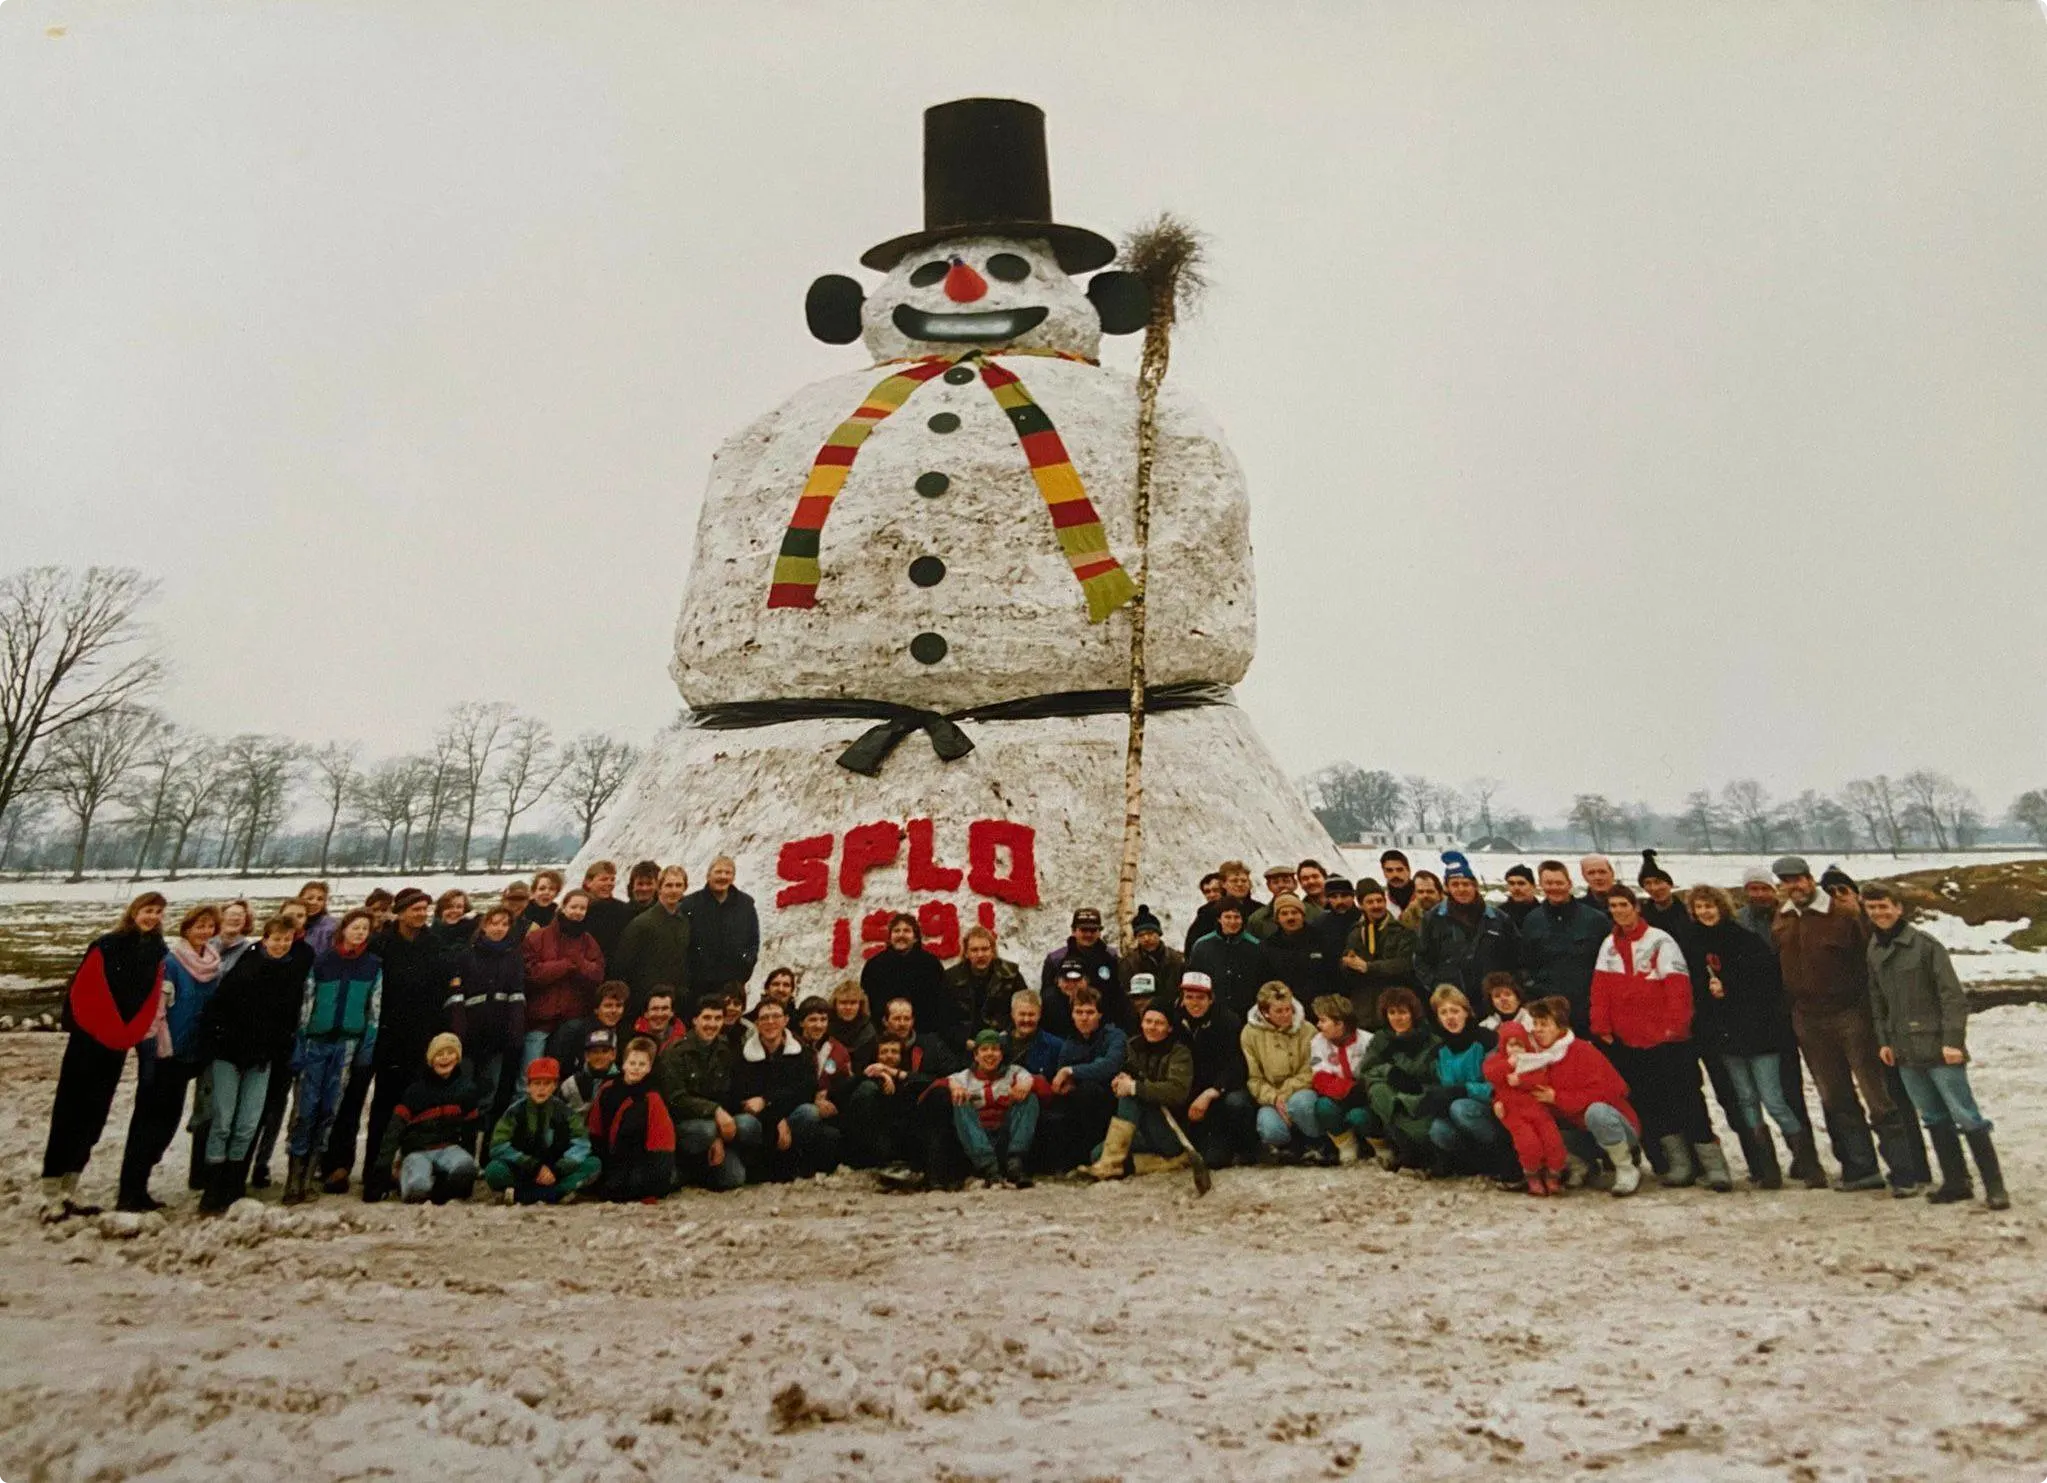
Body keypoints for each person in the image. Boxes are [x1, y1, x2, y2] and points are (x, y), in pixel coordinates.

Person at [1772, 854, 1926, 1193]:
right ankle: (1861, 1168)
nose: (1793, 886)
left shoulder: (1843, 916)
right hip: (1809, 1020)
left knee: (1877, 1095)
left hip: (1850, 1015)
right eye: (1786, 881)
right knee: (1834, 1097)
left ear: (1809, 880)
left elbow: (1870, 961)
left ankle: (1904, 1171)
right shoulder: (1781, 919)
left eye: (1798, 879)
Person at [1864, 884, 2008, 1210]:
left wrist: (1953, 1042)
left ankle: (1995, 1187)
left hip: (1938, 1047)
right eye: (1871, 908)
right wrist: (1884, 1041)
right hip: (1904, 1050)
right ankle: (1956, 1182)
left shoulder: (1926, 947)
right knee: (1932, 1116)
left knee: (1966, 1116)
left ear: (1899, 908)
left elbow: (1952, 998)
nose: (1878, 914)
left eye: (1884, 907)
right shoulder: (1874, 947)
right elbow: (1877, 999)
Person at [1589, 885, 1730, 1192]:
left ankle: (1713, 1164)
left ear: (1636, 907)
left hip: (1667, 1040)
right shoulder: (1608, 946)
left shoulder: (1660, 940)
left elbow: (1678, 988)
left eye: (1623, 904)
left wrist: (1675, 1026)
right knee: (1652, 1104)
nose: (1618, 911)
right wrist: (1601, 1025)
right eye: (1612, 906)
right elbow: (1600, 989)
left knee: (1687, 1099)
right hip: (1629, 1041)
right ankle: (1679, 1163)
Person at [39, 893, 168, 1220]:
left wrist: (130, 1033)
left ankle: (71, 1187)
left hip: (117, 1044)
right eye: (146, 910)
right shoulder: (108, 944)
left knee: (94, 1116)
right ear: (134, 911)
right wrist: (110, 1029)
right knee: (70, 1112)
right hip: (90, 1041)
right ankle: (51, 1193)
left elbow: (151, 996)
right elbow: (85, 990)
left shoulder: (157, 951)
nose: (151, 917)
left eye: (157, 912)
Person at [1685, 885, 1818, 1190]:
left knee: (1774, 1099)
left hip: (1758, 1034)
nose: (1705, 912)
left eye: (1710, 906)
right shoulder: (1693, 942)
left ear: (1722, 907)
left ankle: (1808, 1163)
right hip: (1724, 1037)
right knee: (1745, 1100)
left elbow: (1766, 983)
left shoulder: (1743, 939)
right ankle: (1766, 1167)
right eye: (1699, 907)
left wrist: (1728, 987)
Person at [331, 887, 459, 1202]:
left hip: (419, 1036)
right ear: (400, 912)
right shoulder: (382, 944)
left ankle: (403, 1168)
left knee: (410, 1106)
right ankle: (374, 1170)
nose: (421, 914)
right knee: (381, 1107)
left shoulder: (434, 945)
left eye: (424, 909)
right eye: (415, 909)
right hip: (384, 1035)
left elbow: (443, 989)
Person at [197, 912, 312, 1212]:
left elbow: (286, 1020)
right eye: (276, 939)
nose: (281, 945)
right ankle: (213, 1186)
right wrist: (219, 1044)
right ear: (265, 939)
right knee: (223, 1121)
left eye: (287, 940)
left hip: (263, 1059)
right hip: (230, 1055)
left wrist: (278, 1050)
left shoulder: (290, 973)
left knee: (247, 1123)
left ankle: (234, 1182)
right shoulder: (247, 967)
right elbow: (220, 1008)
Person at [116, 903, 222, 1212]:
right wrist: (156, 1051)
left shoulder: (211, 964)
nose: (204, 931)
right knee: (148, 1123)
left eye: (209, 926)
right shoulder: (172, 962)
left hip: (191, 1053)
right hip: (164, 1054)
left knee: (168, 1123)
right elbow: (157, 1011)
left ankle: (141, 1185)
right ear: (186, 928)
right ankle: (130, 1191)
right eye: (198, 926)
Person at [285, 909, 380, 1205]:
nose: (360, 933)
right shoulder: (322, 961)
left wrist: (367, 1044)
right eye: (355, 927)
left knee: (330, 1110)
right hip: (316, 1042)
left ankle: (311, 1174)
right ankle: (293, 1177)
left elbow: (373, 1008)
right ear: (343, 930)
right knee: (305, 1110)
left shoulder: (373, 965)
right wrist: (300, 1041)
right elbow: (306, 1003)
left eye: (365, 929)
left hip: (348, 1044)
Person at [1522, 996, 1643, 1196]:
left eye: (1544, 1024)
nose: (1537, 1030)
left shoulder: (1582, 1050)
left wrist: (1558, 1098)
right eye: (1534, 1024)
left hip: (1616, 1127)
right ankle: (1582, 1164)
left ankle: (1626, 1166)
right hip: (1579, 1132)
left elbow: (1611, 1092)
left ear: (1560, 1027)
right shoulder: (1535, 1058)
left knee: (1597, 1112)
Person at [1088, 1004, 1194, 1179]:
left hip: (1171, 1127)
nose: (1152, 1027)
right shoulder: (1134, 1045)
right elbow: (1128, 1073)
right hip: (1141, 1127)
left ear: (1169, 1028)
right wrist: (1120, 1081)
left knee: (1131, 1097)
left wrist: (1134, 1087)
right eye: (1148, 1021)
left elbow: (1177, 1092)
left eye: (1159, 1023)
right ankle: (1170, 1162)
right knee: (1097, 1155)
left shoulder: (1179, 1053)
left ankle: (1111, 1164)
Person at [376, 1032, 482, 1205]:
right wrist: (381, 1171)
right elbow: (393, 1132)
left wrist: (467, 1169)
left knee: (466, 1168)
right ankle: (407, 1178)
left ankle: (440, 1189)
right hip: (418, 1151)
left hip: (449, 1148)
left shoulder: (467, 1090)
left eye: (450, 1052)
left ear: (458, 1057)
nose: (445, 1058)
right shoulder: (415, 1091)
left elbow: (470, 1131)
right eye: (439, 1054)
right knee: (418, 1189)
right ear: (431, 1060)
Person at [519, 889, 606, 1092]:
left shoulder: (588, 941)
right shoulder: (537, 938)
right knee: (529, 1077)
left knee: (559, 1076)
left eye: (582, 908)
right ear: (563, 907)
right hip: (539, 1020)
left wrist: (580, 964)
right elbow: (531, 973)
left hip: (570, 1019)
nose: (577, 912)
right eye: (574, 906)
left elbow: (597, 973)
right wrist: (565, 966)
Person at [657, 996, 746, 1191]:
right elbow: (676, 1099)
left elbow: (730, 1094)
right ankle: (683, 1166)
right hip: (685, 1126)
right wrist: (714, 1112)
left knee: (735, 1178)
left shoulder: (726, 1051)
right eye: (707, 1018)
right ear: (695, 1020)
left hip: (716, 1125)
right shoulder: (675, 1052)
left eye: (717, 1018)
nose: (712, 1024)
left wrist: (720, 1136)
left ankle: (700, 1171)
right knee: (705, 1131)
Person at [483, 1057, 601, 1205]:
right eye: (537, 1083)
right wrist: (533, 1167)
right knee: (494, 1171)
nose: (541, 1088)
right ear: (528, 1086)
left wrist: (556, 1169)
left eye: (547, 1083)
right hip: (524, 1170)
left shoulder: (566, 1112)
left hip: (556, 1172)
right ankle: (555, 1194)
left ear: (554, 1086)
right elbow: (498, 1146)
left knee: (593, 1164)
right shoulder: (515, 1112)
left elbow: (581, 1144)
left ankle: (525, 1195)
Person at [447, 906, 526, 1124]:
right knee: (463, 1089)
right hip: (469, 1035)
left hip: (497, 1036)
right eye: (494, 923)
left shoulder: (513, 957)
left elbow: (517, 997)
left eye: (504, 924)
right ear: (485, 925)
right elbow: (456, 998)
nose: (499, 928)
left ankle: (481, 1141)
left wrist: (515, 1033)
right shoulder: (466, 956)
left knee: (488, 1092)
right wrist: (459, 1033)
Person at [1422, 986, 1508, 1181]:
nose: (1450, 1017)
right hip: (1457, 1111)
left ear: (1466, 1012)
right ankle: (1467, 1161)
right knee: (1437, 1128)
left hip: (1490, 1108)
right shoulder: (1440, 1050)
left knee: (1461, 1108)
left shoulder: (1486, 1039)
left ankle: (1495, 1156)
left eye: (1455, 1010)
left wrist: (1463, 1089)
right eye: (1443, 1012)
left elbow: (1498, 1086)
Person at [1412, 854, 1518, 1011]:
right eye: (1455, 884)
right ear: (1447, 887)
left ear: (1475, 886)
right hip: (1451, 1002)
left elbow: (1516, 958)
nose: (1461, 889)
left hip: (1491, 1002)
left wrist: (1506, 988)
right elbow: (1420, 959)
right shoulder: (1433, 919)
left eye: (1466, 884)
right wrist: (1436, 986)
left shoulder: (1498, 919)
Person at [1172, 971, 1255, 1168]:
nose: (1194, 1003)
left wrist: (1213, 1091)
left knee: (1238, 1103)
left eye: (1200, 998)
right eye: (1189, 997)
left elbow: (1236, 1064)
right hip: (1187, 1095)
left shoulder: (1228, 1021)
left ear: (1211, 999)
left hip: (1218, 1093)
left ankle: (1247, 1148)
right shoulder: (1174, 1021)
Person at [1038, 988, 1126, 1173]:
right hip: (1077, 1101)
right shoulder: (1070, 1043)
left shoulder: (1114, 1036)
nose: (1084, 1017)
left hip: (1109, 1101)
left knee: (1089, 1091)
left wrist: (1072, 1071)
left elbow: (1109, 1066)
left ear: (1100, 1014)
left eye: (1090, 1012)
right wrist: (1066, 1083)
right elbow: (1062, 1076)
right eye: (1079, 1012)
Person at [733, 998, 821, 1181]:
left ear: (785, 1020)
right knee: (744, 1124)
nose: (770, 1022)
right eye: (764, 1018)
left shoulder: (801, 1053)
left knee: (809, 1113)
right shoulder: (743, 1056)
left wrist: (767, 1102)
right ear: (757, 1023)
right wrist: (774, 1119)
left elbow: (804, 1090)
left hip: (789, 1116)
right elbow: (744, 1096)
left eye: (775, 1016)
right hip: (761, 1120)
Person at [1517, 861, 1609, 1034]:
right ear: (1541, 885)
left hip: (1586, 1009)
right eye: (1549, 883)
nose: (1554, 888)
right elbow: (1525, 964)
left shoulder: (1595, 920)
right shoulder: (1532, 920)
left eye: (1559, 883)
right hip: (1547, 1010)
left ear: (1569, 883)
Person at [1484, 1020, 1571, 1195]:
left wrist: (1522, 1080)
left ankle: (1553, 1176)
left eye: (1519, 1045)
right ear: (1504, 1046)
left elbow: (1542, 1078)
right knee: (1528, 1144)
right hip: (1513, 1111)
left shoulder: (1534, 1060)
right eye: (1511, 1045)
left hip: (1537, 1109)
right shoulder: (1497, 1061)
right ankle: (1533, 1177)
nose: (1516, 1049)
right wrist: (1509, 1064)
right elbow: (1491, 1074)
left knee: (1553, 1141)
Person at [1358, 987, 1441, 1170]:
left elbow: (1432, 1075)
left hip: (1419, 1096)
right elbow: (1364, 1070)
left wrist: (1409, 1082)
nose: (1397, 1018)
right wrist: (1389, 1071)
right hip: (1391, 1097)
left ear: (1413, 1013)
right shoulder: (1381, 1039)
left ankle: (1420, 1152)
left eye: (1403, 1012)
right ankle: (1408, 1151)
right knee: (1378, 1090)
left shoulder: (1430, 1040)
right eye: (1392, 1012)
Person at [588, 1036, 677, 1203]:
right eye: (632, 1063)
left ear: (649, 1068)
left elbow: (662, 1144)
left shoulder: (652, 1097)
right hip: (611, 1159)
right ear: (623, 1064)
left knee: (631, 1187)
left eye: (642, 1064)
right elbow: (595, 1129)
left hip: (640, 1162)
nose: (636, 1068)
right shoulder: (607, 1089)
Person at [948, 1029, 1039, 1186]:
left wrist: (1029, 1083)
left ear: (1001, 1054)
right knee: (959, 1101)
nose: (990, 1054)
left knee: (1030, 1099)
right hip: (978, 1142)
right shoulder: (963, 1077)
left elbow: (1045, 1088)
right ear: (976, 1055)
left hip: (1006, 1139)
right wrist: (953, 1086)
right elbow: (937, 1085)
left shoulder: (1015, 1072)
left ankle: (1015, 1163)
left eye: (995, 1049)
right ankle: (989, 1168)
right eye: (984, 1050)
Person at [1242, 980, 1316, 1162]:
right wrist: (1273, 1097)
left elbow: (1312, 1068)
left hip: (1301, 1090)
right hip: (1270, 1096)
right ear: (1265, 1012)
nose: (1285, 1015)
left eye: (1288, 1009)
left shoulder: (1308, 1030)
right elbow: (1253, 1077)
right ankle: (1287, 1147)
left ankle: (1316, 1142)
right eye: (1279, 1011)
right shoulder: (1250, 1034)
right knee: (1271, 1129)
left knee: (1302, 1105)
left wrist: (1287, 1091)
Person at [862, 913, 958, 1045]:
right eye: (897, 931)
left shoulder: (930, 964)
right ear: (890, 937)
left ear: (915, 937)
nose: (901, 935)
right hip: (884, 1039)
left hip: (924, 1036)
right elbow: (867, 1004)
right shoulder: (874, 965)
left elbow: (942, 1002)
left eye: (907, 931)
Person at [611, 865, 691, 1022]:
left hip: (675, 1000)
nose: (674, 890)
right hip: (646, 1002)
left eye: (678, 885)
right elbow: (623, 964)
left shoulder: (685, 921)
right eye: (668, 885)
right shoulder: (642, 923)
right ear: (659, 888)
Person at [1306, 993, 1372, 1165]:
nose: (1318, 1025)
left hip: (1364, 1098)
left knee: (1358, 1116)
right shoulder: (1318, 1042)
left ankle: (1380, 1146)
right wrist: (1348, 1090)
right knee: (1323, 1107)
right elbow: (1320, 1077)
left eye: (1323, 1020)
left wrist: (1360, 1090)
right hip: (1340, 1095)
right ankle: (1347, 1146)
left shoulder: (1367, 1040)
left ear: (1339, 1023)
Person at [685, 856, 761, 1001]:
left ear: (733, 877)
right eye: (718, 872)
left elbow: (753, 941)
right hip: (698, 985)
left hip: (733, 984)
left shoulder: (745, 904)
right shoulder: (690, 904)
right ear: (708, 876)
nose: (723, 877)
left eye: (728, 873)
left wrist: (745, 965)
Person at [1339, 879, 1418, 1014]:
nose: (1376, 905)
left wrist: (1368, 967)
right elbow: (1347, 967)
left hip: (1395, 1004)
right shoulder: (1356, 933)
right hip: (1364, 1007)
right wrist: (1348, 964)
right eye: (1370, 902)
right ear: (1360, 905)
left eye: (1379, 900)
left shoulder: (1402, 931)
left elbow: (1404, 965)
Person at [1039, 908, 1125, 1027]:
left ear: (1099, 931)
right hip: (1065, 1025)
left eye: (1093, 930)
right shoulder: (1056, 959)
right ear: (1074, 931)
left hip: (1104, 1024)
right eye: (1084, 930)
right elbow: (1047, 995)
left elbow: (1119, 993)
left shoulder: (1112, 957)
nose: (1088, 934)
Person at [793, 996, 849, 1172]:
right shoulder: (791, 1046)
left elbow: (843, 1082)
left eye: (823, 1020)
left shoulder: (838, 1050)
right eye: (813, 1020)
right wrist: (813, 1099)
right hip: (797, 1110)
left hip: (828, 1112)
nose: (818, 1025)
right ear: (802, 1022)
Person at [1188, 901, 1264, 1019]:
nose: (1232, 922)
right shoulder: (1202, 946)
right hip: (1212, 1012)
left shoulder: (1256, 946)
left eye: (1237, 917)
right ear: (1219, 919)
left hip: (1247, 1013)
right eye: (1227, 917)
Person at [945, 925, 1028, 1032]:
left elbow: (1024, 1008)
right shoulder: (952, 977)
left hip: (1002, 1037)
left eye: (985, 949)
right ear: (966, 953)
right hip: (966, 1041)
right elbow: (945, 1018)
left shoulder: (1010, 974)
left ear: (992, 951)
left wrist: (1007, 1035)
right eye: (974, 950)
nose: (980, 954)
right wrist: (963, 1041)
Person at [1256, 893, 1332, 1005]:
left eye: (1294, 912)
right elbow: (1265, 983)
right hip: (1285, 1009)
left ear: (1302, 915)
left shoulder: (1320, 940)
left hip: (1320, 1009)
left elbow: (1332, 976)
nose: (1290, 917)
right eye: (1284, 913)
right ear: (1277, 918)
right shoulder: (1268, 946)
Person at [548, 980, 629, 1080]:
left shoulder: (625, 1035)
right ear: (596, 1009)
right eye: (608, 1006)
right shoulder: (574, 1030)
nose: (614, 1011)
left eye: (619, 1005)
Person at [1183, 859, 1259, 952]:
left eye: (1244, 881)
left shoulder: (1259, 910)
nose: (1240, 884)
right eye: (1234, 881)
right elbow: (1192, 946)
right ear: (1223, 884)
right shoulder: (1208, 912)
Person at [1118, 906, 1186, 1009]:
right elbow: (1125, 993)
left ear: (1159, 933)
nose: (1146, 938)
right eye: (1141, 935)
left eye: (1150, 933)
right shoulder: (1128, 963)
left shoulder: (1177, 959)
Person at [580, 861, 638, 962]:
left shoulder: (623, 910)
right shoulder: (577, 909)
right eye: (604, 879)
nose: (609, 883)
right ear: (588, 883)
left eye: (612, 879)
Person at [1247, 865, 1322, 939]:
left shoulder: (1315, 912)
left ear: (1295, 884)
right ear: (1269, 886)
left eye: (1286, 881)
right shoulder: (1257, 919)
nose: (1281, 885)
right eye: (1275, 882)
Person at [827, 981, 879, 1079]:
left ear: (860, 1005)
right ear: (835, 1004)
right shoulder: (826, 1027)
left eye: (853, 1002)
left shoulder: (868, 1031)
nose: (848, 1007)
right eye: (843, 1002)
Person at [562, 1028, 619, 1116]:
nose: (600, 1056)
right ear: (586, 1055)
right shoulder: (571, 1084)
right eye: (595, 1052)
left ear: (613, 1054)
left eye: (605, 1051)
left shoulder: (623, 1082)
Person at [1636, 852, 1689, 947]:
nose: (1654, 888)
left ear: (1670, 884)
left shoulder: (1688, 913)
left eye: (1658, 882)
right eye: (1648, 883)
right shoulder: (1640, 915)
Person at [633, 987, 687, 1054]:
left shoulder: (683, 1045)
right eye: (654, 1009)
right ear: (646, 1014)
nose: (659, 1014)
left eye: (665, 1008)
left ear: (672, 1013)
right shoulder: (632, 1042)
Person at [298, 883, 337, 956]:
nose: (315, 902)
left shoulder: (331, 927)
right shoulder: (291, 924)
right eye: (310, 898)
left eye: (320, 899)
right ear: (300, 899)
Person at [1379, 851, 1416, 917]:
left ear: (1408, 871)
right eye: (1389, 870)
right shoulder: (1380, 901)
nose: (1395, 875)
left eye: (1400, 870)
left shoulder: (1424, 895)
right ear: (1384, 873)